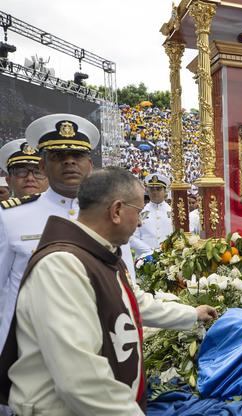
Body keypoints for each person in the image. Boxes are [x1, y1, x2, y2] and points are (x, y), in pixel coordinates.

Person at [0, 167, 218, 415]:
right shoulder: (61, 266)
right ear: (116, 211)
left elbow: (133, 301)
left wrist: (191, 315)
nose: (139, 222)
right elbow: (81, 378)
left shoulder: (98, 253)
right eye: (137, 212)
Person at [0, 114, 137, 354]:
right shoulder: (10, 218)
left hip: (97, 342)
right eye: (59, 156)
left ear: (90, 166)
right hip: (31, 349)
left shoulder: (112, 214)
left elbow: (126, 283)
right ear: (43, 166)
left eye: (78, 156)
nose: (69, 162)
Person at [130, 173, 173, 257]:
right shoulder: (139, 212)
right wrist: (150, 251)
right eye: (152, 189)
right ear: (147, 191)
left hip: (168, 257)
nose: (155, 192)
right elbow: (132, 238)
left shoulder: (173, 212)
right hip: (144, 259)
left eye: (158, 189)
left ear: (165, 191)